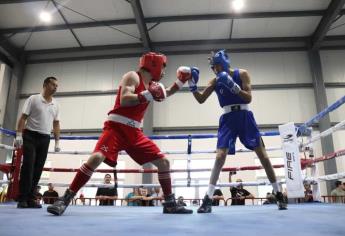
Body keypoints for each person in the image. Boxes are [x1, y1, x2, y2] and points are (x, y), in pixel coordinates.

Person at [47, 52, 193, 215]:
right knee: (96, 157)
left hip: (134, 133)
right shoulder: (133, 76)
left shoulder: (151, 85)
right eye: (163, 67)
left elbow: (166, 92)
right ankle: (65, 199)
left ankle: (170, 203)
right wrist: (147, 94)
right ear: (154, 65)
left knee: (164, 163)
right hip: (116, 127)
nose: (164, 71)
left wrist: (182, 80)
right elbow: (125, 99)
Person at [187, 50, 287, 213]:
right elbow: (201, 99)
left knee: (264, 156)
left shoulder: (242, 74)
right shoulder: (215, 80)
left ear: (225, 63)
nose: (216, 70)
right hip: (227, 119)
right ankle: (207, 199)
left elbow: (248, 98)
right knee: (219, 157)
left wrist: (234, 87)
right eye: (213, 68)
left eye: (218, 66)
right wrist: (192, 86)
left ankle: (278, 193)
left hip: (245, 116)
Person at [15, 77, 60, 208]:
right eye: (53, 84)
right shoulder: (33, 99)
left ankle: (31, 198)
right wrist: (19, 134)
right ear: (45, 84)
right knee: (28, 165)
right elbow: (23, 117)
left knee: (38, 167)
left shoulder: (56, 104)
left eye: (57, 86)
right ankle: (22, 197)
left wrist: (57, 142)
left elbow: (56, 123)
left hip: (45, 138)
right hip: (30, 135)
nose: (56, 87)